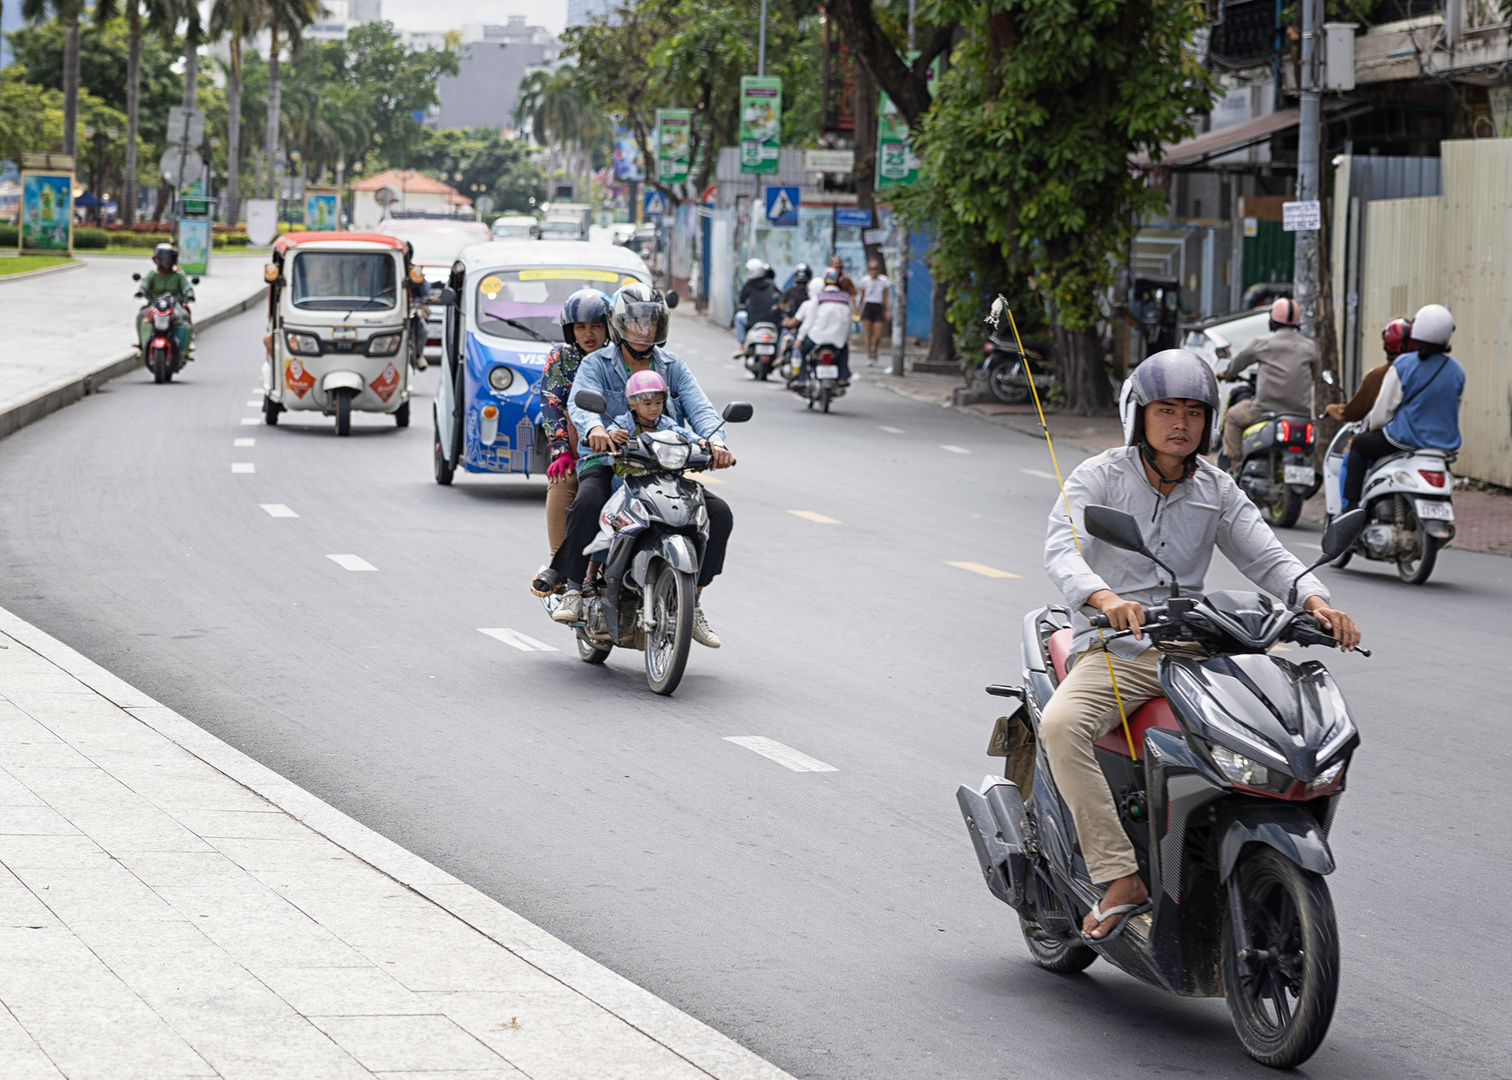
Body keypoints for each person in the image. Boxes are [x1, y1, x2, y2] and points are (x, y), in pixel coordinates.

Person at [1043, 349, 1359, 940]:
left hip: (1196, 645)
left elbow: (1264, 552)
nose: (1180, 423)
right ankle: (1119, 876)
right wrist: (1104, 597)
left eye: (1193, 411)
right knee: (1062, 726)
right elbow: (1063, 548)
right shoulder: (1098, 477)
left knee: (1271, 727)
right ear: (1138, 414)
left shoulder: (1216, 488)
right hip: (1122, 648)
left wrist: (1316, 602)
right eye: (1166, 410)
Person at [551, 284, 734, 647]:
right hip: (609, 461)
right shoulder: (597, 363)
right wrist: (597, 430)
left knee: (719, 513)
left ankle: (692, 599)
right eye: (636, 322)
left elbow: (700, 408)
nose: (644, 329)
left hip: (662, 464)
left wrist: (715, 442)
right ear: (620, 324)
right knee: (589, 501)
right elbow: (580, 404)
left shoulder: (672, 366)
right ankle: (574, 586)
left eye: (651, 322)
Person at [582, 369, 704, 581]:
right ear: (632, 404)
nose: (654, 408)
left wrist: (702, 443)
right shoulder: (624, 423)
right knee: (611, 525)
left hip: (660, 483)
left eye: (658, 402)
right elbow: (610, 434)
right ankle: (591, 574)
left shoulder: (666, 424)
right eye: (647, 404)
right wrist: (612, 436)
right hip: (627, 483)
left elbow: (684, 434)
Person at [1342, 303, 1465, 510]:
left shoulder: (1404, 365)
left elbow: (1383, 412)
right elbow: (1455, 407)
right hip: (1442, 446)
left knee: (1360, 445)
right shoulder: (1457, 370)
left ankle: (1350, 508)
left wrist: (1373, 428)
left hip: (1403, 441)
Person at [531, 289, 611, 597]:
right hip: (579, 452)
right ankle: (561, 569)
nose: (589, 334)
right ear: (570, 330)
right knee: (563, 479)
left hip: (618, 452)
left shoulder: (618, 358)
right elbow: (551, 403)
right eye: (581, 327)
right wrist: (562, 451)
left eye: (596, 326)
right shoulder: (561, 357)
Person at [1217, 297, 1318, 470]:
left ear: (1272, 321)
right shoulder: (1309, 347)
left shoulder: (1263, 344)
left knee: (1233, 417)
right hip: (1300, 413)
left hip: (1264, 409)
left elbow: (1239, 362)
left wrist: (1226, 374)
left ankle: (1234, 468)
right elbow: (1314, 376)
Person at [1324, 317, 1410, 423]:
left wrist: (1331, 409)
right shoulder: (1425, 371)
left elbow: (1352, 413)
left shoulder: (1377, 376)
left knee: (1362, 440)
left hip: (1391, 436)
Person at [785, 268, 854, 387]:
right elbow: (848, 320)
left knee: (802, 351)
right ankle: (842, 377)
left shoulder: (819, 297)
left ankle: (801, 379)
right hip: (838, 339)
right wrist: (844, 338)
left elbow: (809, 321)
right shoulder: (846, 298)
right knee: (844, 351)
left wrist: (800, 339)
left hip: (817, 337)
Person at [135, 242, 196, 358]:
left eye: (169, 258)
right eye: (163, 259)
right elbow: (144, 284)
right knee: (141, 316)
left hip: (174, 304)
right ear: (157, 260)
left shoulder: (178, 275)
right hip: (155, 304)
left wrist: (190, 294)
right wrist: (140, 291)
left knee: (185, 316)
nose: (166, 261)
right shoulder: (153, 275)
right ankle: (142, 345)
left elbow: (187, 287)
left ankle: (186, 347)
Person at [733, 259, 782, 354]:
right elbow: (779, 298)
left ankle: (742, 347)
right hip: (772, 320)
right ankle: (779, 352)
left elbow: (742, 300)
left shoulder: (749, 285)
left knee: (739, 317)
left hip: (753, 319)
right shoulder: (771, 285)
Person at [857, 258, 891, 363]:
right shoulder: (864, 280)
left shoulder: (883, 280)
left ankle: (875, 348)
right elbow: (861, 296)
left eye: (875, 269)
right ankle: (869, 355)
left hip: (878, 306)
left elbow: (886, 297)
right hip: (868, 306)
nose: (873, 271)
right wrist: (857, 309)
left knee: (878, 335)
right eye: (871, 269)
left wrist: (888, 310)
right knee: (868, 333)